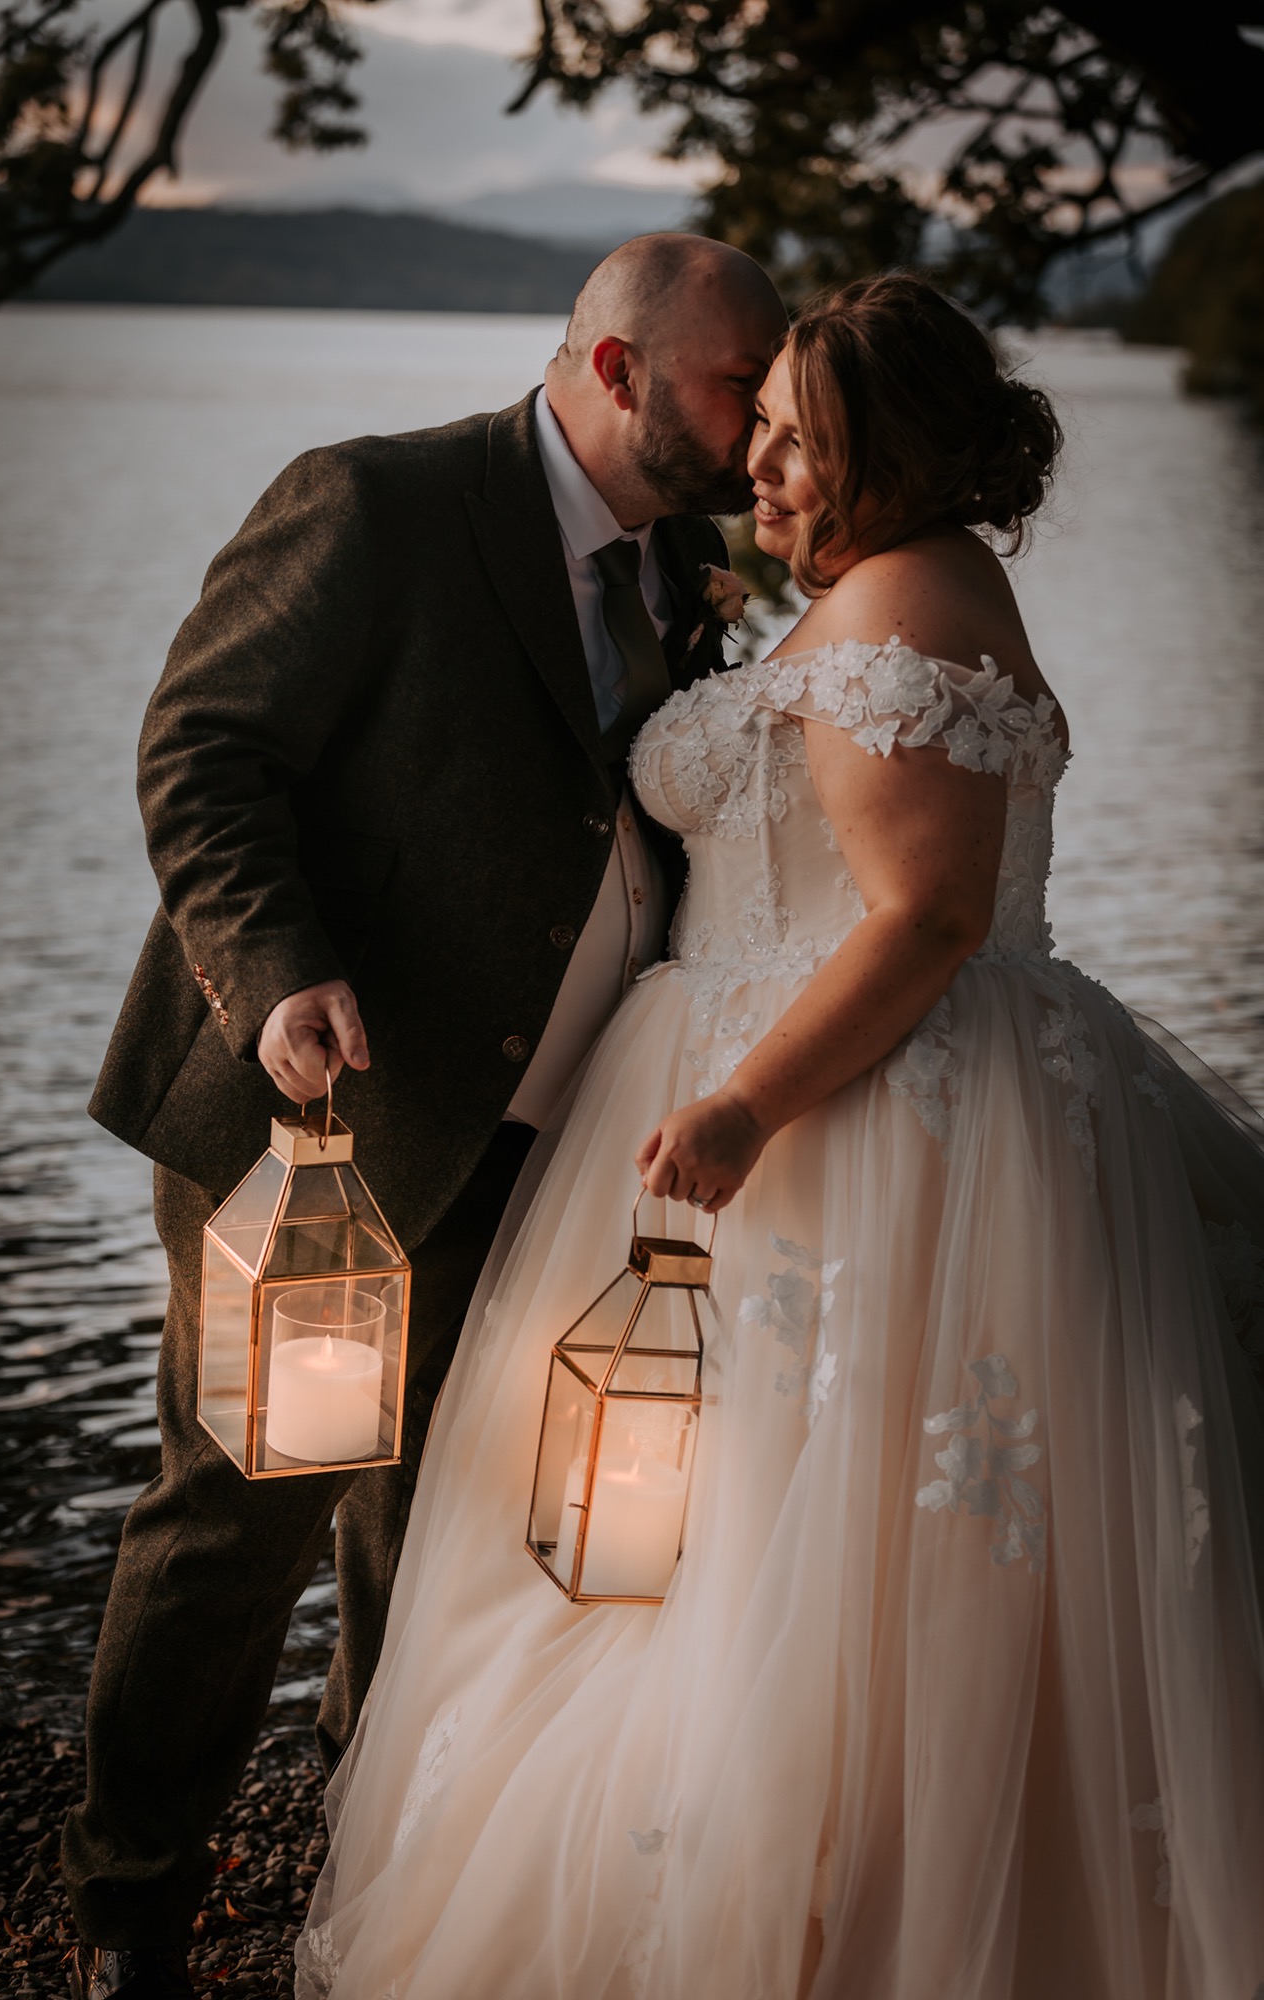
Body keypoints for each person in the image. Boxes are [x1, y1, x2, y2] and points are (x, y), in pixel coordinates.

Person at [293, 273, 1264, 2000]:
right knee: (741, 1529)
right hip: (817, 1095)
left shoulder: (909, 608)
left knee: (807, 1541)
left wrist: (743, 1104)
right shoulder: (892, 587)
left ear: (888, 452)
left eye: (801, 442)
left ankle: (829, 1920)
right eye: (764, 428)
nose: (760, 465)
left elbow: (927, 913)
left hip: (849, 1117)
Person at [60, 234, 790, 2000]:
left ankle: (365, 1888)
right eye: (730, 386)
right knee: (238, 1525)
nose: (760, 417)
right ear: (615, 373)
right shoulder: (374, 507)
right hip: (322, 1113)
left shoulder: (686, 562)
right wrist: (276, 969)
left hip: (531, 1133)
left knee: (429, 1525)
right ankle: (124, 1911)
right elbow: (203, 750)